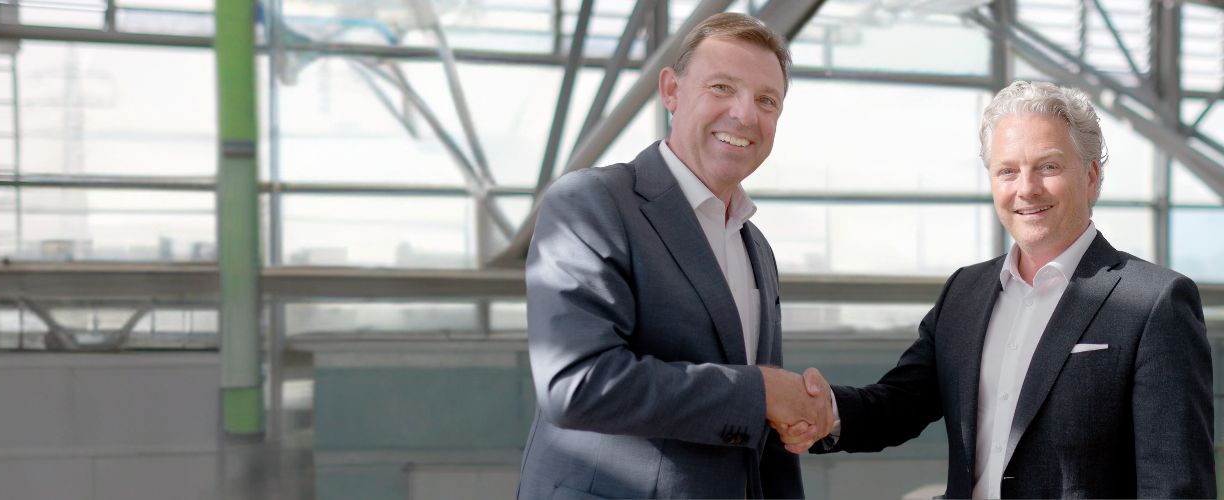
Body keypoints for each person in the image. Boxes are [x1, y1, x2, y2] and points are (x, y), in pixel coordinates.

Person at [792, 80, 1216, 499]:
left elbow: (1174, 485)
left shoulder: (1153, 302)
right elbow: (901, 403)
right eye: (1007, 171)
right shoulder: (965, 291)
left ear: (1090, 177)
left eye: (1048, 167)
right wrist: (821, 410)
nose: (1026, 188)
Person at [517, 12, 831, 500]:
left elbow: (754, 426)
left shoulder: (755, 245)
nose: (745, 115)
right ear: (671, 90)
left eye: (766, 101)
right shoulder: (592, 202)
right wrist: (762, 391)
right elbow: (575, 383)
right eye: (722, 87)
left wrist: (791, 410)